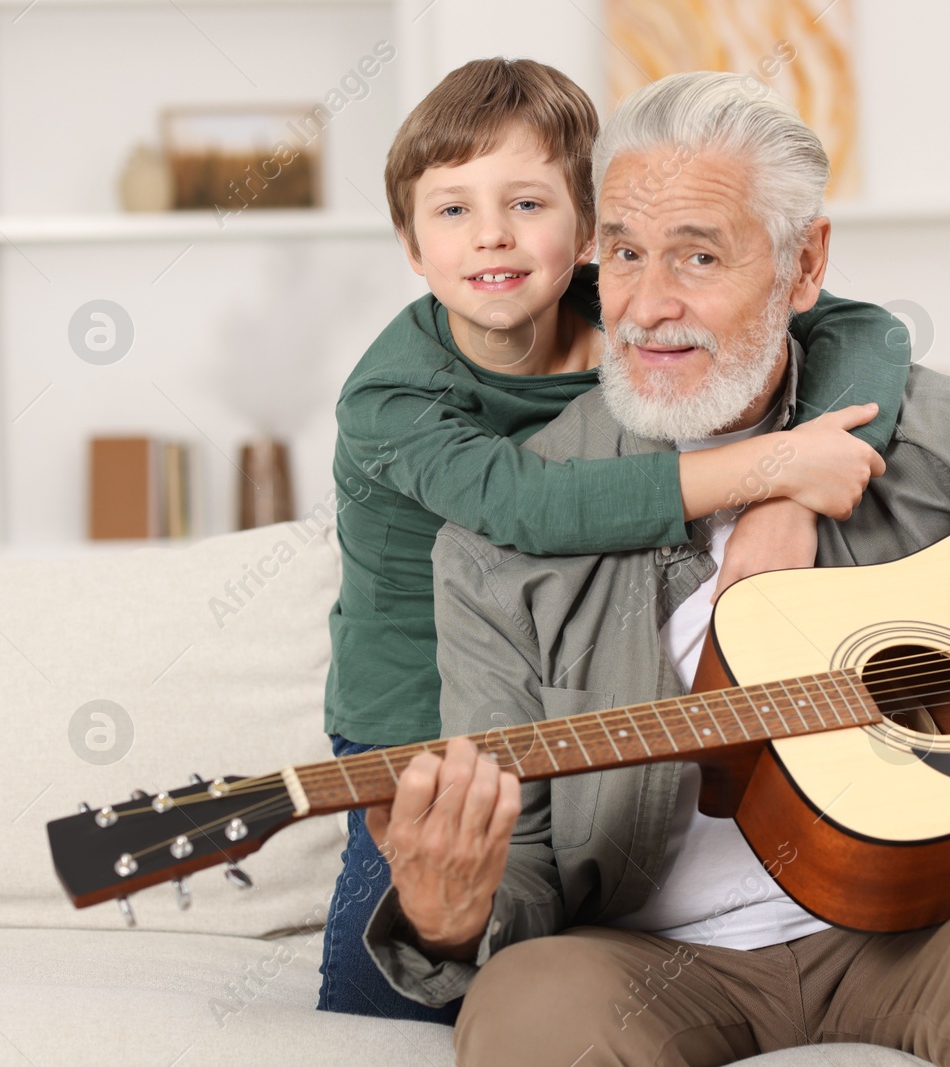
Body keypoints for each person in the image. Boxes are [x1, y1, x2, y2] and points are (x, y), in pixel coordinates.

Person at [362, 72, 950, 1065]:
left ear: (803, 262)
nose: (648, 306)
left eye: (698, 255)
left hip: (922, 923)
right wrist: (450, 915)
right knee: (524, 1007)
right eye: (627, 255)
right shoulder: (494, 544)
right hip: (648, 953)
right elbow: (517, 869)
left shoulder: (929, 430)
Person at [317, 58, 910, 1022]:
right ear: (410, 245)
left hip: (565, 687)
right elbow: (531, 508)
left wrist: (796, 502)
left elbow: (866, 333)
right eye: (452, 211)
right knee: (400, 991)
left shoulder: (630, 305)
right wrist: (772, 471)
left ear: (588, 228)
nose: (493, 237)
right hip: (416, 718)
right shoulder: (390, 399)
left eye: (527, 203)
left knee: (558, 949)